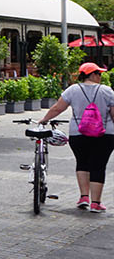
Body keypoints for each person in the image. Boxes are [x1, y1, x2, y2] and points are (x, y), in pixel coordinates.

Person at [39, 61, 114, 212]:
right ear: (92, 75)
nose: (100, 77)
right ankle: (96, 203)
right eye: (99, 74)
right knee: (98, 166)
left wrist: (44, 120)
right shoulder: (107, 91)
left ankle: (84, 197)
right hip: (104, 134)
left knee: (82, 163)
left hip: (78, 133)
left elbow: (57, 108)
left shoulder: (72, 90)